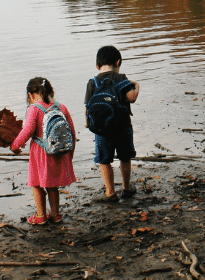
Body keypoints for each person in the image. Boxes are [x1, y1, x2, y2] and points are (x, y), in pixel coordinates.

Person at [10, 77, 76, 225]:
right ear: (51, 92)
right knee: (52, 185)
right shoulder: (61, 107)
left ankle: (40, 216)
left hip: (40, 154)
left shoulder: (34, 109)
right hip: (58, 153)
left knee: (36, 184)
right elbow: (72, 132)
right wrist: (70, 154)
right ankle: (55, 214)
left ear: (30, 95)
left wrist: (15, 145)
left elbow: (27, 131)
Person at [84, 45, 140, 201]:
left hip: (102, 130)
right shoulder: (121, 78)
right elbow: (132, 97)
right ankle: (127, 189)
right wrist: (136, 86)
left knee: (104, 160)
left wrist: (87, 123)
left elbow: (87, 106)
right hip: (123, 127)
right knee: (124, 157)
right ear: (118, 62)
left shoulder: (92, 82)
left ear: (97, 65)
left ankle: (110, 192)